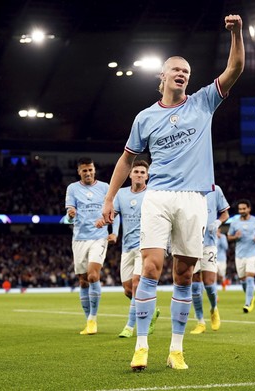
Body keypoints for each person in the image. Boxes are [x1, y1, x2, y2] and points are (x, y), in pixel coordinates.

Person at [99, 14, 244, 371]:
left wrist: (237, 34)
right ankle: (142, 345)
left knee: (183, 274)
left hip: (194, 198)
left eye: (187, 72)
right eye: (176, 70)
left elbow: (236, 66)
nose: (182, 75)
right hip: (159, 195)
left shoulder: (203, 102)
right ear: (161, 77)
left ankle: (176, 349)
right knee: (150, 266)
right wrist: (108, 199)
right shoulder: (145, 117)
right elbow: (125, 159)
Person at [65, 157, 117, 335]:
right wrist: (71, 215)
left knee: (93, 276)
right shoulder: (72, 188)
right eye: (84, 170)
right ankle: (88, 320)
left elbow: (114, 212)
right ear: (79, 172)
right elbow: (68, 218)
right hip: (79, 238)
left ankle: (93, 319)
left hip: (99, 238)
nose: (88, 173)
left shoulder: (105, 188)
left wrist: (113, 231)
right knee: (83, 280)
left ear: (94, 170)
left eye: (90, 170)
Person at [110, 160, 160, 338]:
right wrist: (105, 224)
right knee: (127, 289)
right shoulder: (121, 194)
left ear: (147, 175)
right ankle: (151, 310)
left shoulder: (152, 194)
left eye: (142, 172)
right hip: (127, 246)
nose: (139, 174)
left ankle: (130, 326)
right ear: (130, 174)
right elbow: (113, 214)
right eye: (136, 172)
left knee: (137, 284)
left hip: (145, 245)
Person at [189, 185, 230, 334]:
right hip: (191, 244)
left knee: (209, 283)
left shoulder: (215, 189)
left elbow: (225, 213)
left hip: (209, 244)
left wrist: (218, 222)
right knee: (194, 284)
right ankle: (200, 321)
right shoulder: (188, 188)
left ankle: (214, 309)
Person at [227, 199, 255, 313]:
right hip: (240, 254)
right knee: (242, 280)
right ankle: (250, 296)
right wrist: (235, 237)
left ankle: (247, 303)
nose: (242, 211)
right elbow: (229, 236)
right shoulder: (234, 223)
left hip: (253, 253)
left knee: (250, 276)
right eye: (240, 209)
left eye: (244, 209)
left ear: (249, 209)